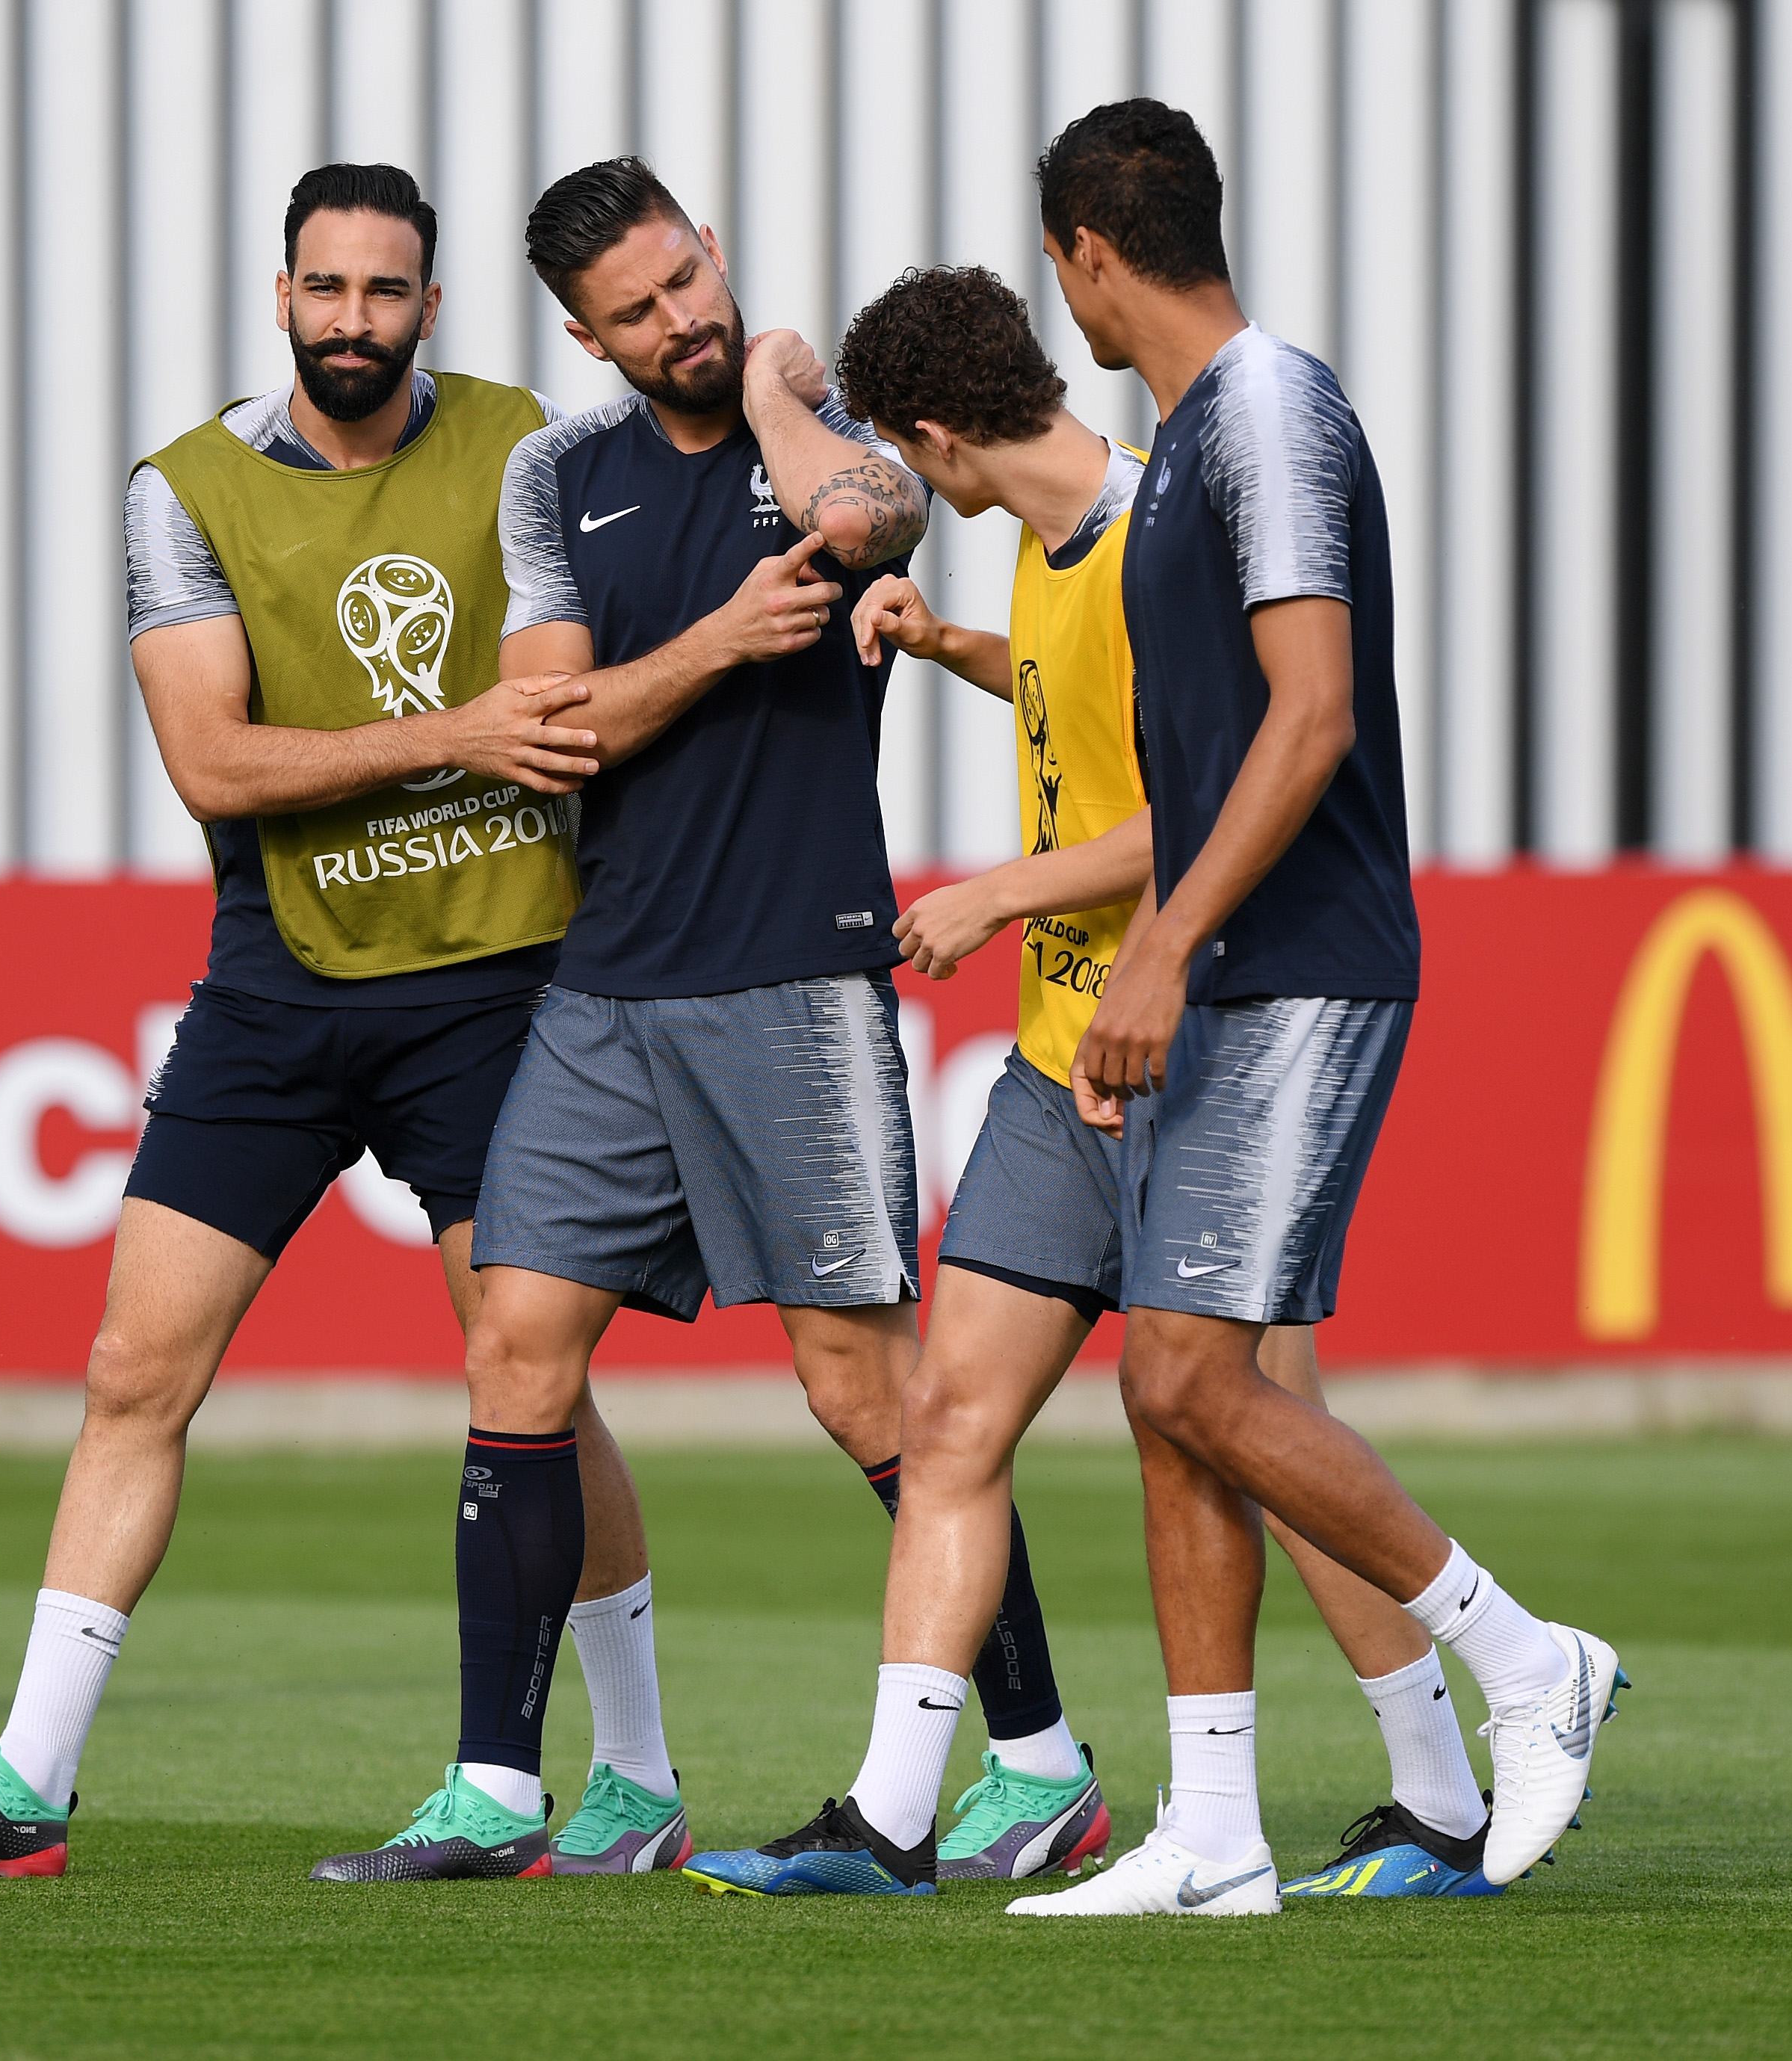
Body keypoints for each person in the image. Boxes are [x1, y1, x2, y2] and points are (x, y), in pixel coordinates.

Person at [0, 164, 660, 1880]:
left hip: (498, 982)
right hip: (276, 981)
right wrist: (456, 733)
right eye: (326, 287)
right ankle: (26, 1782)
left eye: (385, 290)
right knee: (134, 1366)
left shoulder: (525, 445)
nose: (353, 317)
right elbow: (212, 762)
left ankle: (634, 1781)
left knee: (531, 1383)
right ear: (277, 293)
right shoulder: (182, 489)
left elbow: (582, 682)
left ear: (431, 306)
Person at [685, 265, 1498, 1900]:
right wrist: (946, 642)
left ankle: (1445, 1778)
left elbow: (1192, 810)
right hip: (1062, 1065)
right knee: (952, 1411)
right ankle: (892, 1814)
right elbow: (1083, 708)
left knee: (1252, 1423)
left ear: (930, 436)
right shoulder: (1062, 554)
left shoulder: (1159, 538)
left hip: (1191, 1044)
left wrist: (998, 890)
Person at [315, 158, 1081, 1889]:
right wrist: (731, 637)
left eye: (689, 281)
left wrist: (767, 387)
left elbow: (877, 525)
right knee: (512, 1342)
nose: (680, 317)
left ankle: (1039, 1759)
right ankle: (506, 1793)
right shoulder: (553, 473)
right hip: (605, 984)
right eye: (639, 309)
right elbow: (551, 721)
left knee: (861, 1384)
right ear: (584, 335)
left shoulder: (817, 412)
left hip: (793, 974)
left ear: (714, 257)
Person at [1001, 102, 1623, 1918]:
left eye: (1064, 272)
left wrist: (1162, 938)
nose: (1070, 302)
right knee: (1168, 1395)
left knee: (1192, 1368)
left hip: (1300, 961)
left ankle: (1526, 1659)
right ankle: (1212, 1835)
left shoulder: (1265, 408)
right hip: (1231, 966)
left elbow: (1313, 714)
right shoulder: (1193, 432)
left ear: (1090, 256)